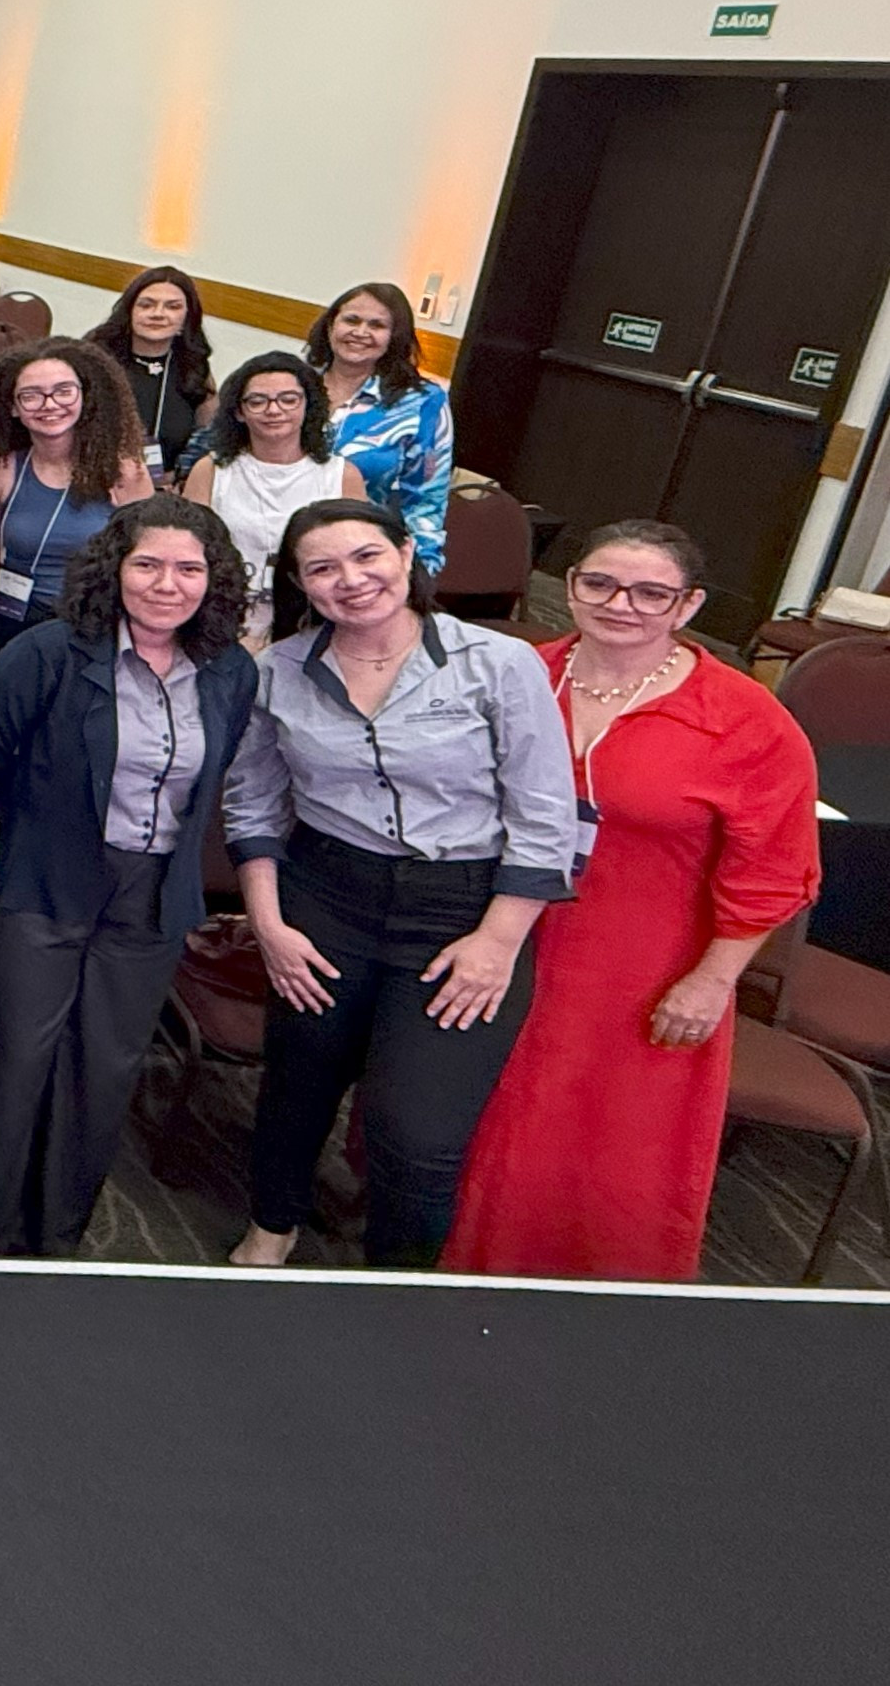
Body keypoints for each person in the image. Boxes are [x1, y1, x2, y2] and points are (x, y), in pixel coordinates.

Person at [449, 523, 821, 1281]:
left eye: (651, 593)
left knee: (612, 1144)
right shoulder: (517, 674)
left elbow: (774, 871)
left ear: (688, 606)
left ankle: (592, 1305)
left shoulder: (744, 719)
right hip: (497, 932)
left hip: (642, 960)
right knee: (474, 1112)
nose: (620, 605)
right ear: (569, 585)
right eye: (599, 584)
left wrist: (712, 980)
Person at [223, 497, 578, 1268]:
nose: (350, 580)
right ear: (299, 584)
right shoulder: (277, 671)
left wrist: (496, 943)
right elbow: (251, 803)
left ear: (406, 555)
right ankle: (271, 1225)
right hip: (325, 893)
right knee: (296, 1084)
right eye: (322, 568)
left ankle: (399, 1288)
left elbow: (545, 817)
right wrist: (268, 925)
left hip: (461, 912)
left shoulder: (498, 663)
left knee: (416, 1131)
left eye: (366, 557)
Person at [0, 497, 257, 1255]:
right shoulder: (45, 652)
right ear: (112, 569)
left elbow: (216, 780)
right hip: (40, 882)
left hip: (151, 897)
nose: (167, 584)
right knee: (14, 1064)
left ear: (214, 579)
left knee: (102, 1072)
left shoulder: (230, 670)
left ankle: (57, 1238)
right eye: (147, 564)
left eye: (188, 568)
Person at [0, 337, 156, 686]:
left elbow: (146, 565)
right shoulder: (0, 470)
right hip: (14, 622)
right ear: (13, 408)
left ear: (84, 397)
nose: (49, 404)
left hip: (92, 627)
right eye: (31, 396)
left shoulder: (124, 473)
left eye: (64, 391)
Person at [183, 353, 363, 643]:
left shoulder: (342, 475)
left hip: (314, 623)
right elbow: (186, 553)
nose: (274, 410)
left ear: (308, 405)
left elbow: (356, 558)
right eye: (257, 401)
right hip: (221, 621)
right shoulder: (211, 470)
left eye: (289, 399)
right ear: (239, 412)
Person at [308, 281, 452, 571]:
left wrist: (420, 572)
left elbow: (426, 501)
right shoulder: (296, 384)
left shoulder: (423, 402)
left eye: (377, 325)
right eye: (351, 320)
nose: (361, 332)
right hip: (277, 545)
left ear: (394, 338)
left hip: (360, 560)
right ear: (330, 326)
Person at [85, 266, 211, 480]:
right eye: (146, 305)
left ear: (187, 318)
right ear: (129, 311)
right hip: (94, 480)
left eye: (172, 307)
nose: (158, 314)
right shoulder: (93, 358)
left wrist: (180, 478)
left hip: (161, 488)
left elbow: (208, 439)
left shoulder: (194, 368)